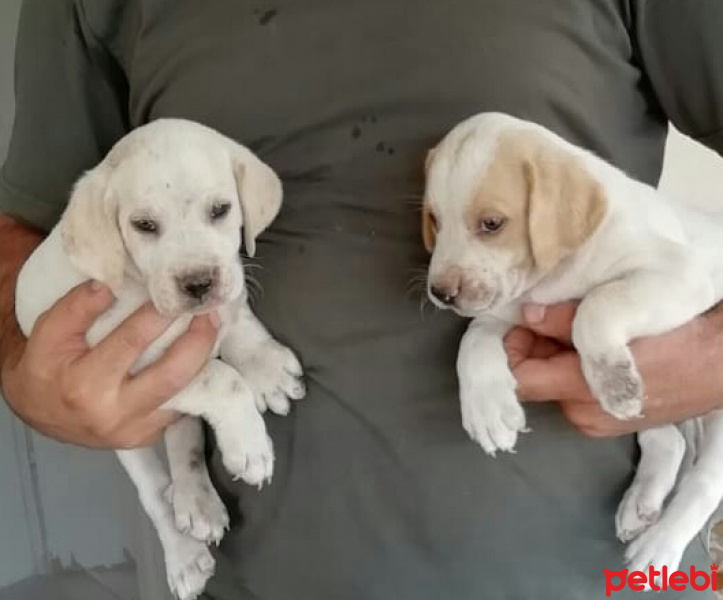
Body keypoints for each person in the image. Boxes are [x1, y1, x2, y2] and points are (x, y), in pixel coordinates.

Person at [1, 1, 722, 598]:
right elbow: (28, 236)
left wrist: (715, 354)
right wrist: (28, 377)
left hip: (605, 568)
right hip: (252, 572)